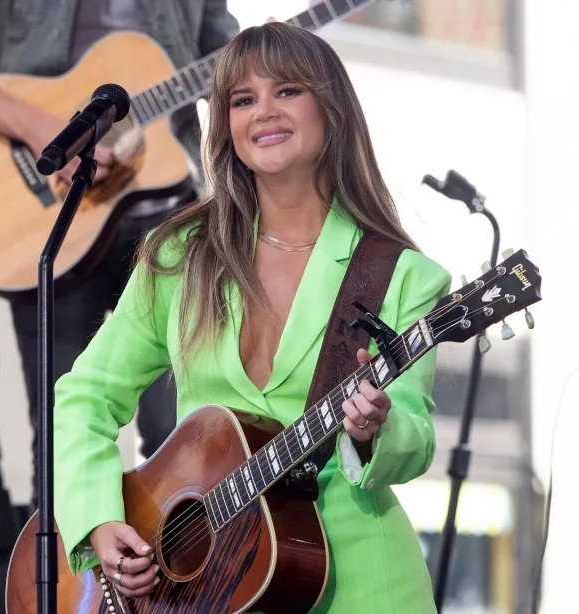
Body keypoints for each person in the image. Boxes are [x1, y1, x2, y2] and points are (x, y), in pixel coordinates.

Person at [52, 21, 452, 613]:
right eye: (242, 99)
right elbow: (85, 395)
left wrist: (375, 432)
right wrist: (98, 521)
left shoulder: (405, 275)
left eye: (287, 90)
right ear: (226, 125)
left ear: (331, 109)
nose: (263, 110)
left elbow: (414, 439)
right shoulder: (181, 255)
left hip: (362, 582)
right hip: (211, 588)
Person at [0, 0, 240, 503]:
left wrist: (255, 60)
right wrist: (38, 127)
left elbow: (222, 58)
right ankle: (68, 582)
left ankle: (186, 578)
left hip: (170, 210)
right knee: (65, 440)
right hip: (48, 215)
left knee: (189, 427)